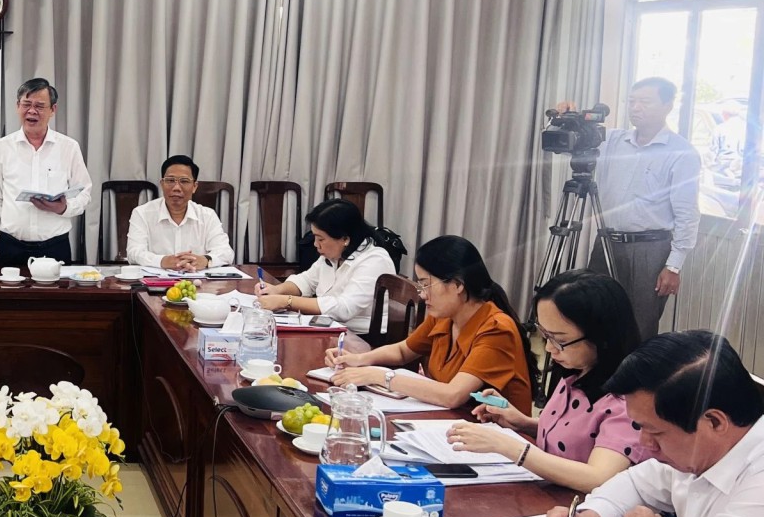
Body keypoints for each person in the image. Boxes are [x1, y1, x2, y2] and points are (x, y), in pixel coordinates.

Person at [543, 330, 764, 517]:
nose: (644, 443)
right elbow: (638, 482)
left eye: (656, 432)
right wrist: (591, 516)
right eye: (640, 427)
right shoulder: (699, 450)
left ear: (714, 421)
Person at [447, 270, 647, 491]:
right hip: (549, 494)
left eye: (559, 340)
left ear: (602, 336)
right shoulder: (577, 371)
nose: (550, 348)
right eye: (545, 336)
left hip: (582, 507)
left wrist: (506, 446)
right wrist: (522, 422)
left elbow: (598, 477)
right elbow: (575, 438)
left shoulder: (627, 402)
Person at [327, 235, 534, 411]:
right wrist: (358, 359)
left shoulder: (496, 329)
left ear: (457, 285)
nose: (422, 294)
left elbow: (453, 395)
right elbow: (403, 351)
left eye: (426, 285)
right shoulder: (445, 316)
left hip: (495, 435)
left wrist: (380, 376)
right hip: (451, 422)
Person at [591, 77, 701, 341]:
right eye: (632, 101)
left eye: (645, 102)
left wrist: (673, 266)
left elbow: (687, 214)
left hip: (650, 250)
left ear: (667, 106)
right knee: (594, 317)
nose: (635, 107)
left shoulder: (681, 153)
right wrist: (566, 116)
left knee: (640, 327)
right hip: (606, 242)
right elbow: (574, 142)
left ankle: (634, 370)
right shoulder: (613, 140)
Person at [0, 78, 93, 272]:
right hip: (10, 246)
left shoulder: (69, 147)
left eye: (39, 106)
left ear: (53, 109)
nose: (32, 111)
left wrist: (64, 207)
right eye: (26, 104)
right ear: (18, 106)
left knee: (55, 293)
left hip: (54, 247)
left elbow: (84, 193)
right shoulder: (1, 148)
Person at [255, 199, 393, 333]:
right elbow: (306, 281)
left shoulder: (374, 261)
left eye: (321, 239)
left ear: (345, 239)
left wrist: (286, 301)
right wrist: (277, 290)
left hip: (361, 337)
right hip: (330, 327)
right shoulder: (335, 254)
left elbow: (344, 309)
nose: (315, 244)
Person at [124, 155, 234, 272]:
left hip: (198, 280)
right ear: (162, 184)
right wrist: (162, 261)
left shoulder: (208, 215)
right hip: (156, 281)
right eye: (170, 180)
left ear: (194, 186)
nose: (176, 187)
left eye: (184, 181)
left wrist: (205, 260)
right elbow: (134, 253)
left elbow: (226, 252)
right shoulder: (142, 213)